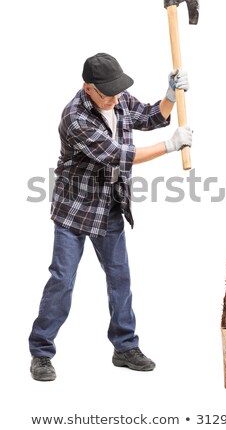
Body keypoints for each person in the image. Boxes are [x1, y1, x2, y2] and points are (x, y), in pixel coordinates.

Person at [29, 52, 192, 381]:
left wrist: (171, 96)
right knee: (62, 281)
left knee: (121, 280)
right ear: (88, 88)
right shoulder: (75, 118)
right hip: (74, 210)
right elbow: (118, 156)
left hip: (111, 207)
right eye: (107, 93)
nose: (115, 98)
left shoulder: (116, 96)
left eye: (117, 91)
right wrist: (170, 146)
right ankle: (41, 352)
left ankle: (124, 346)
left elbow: (150, 117)